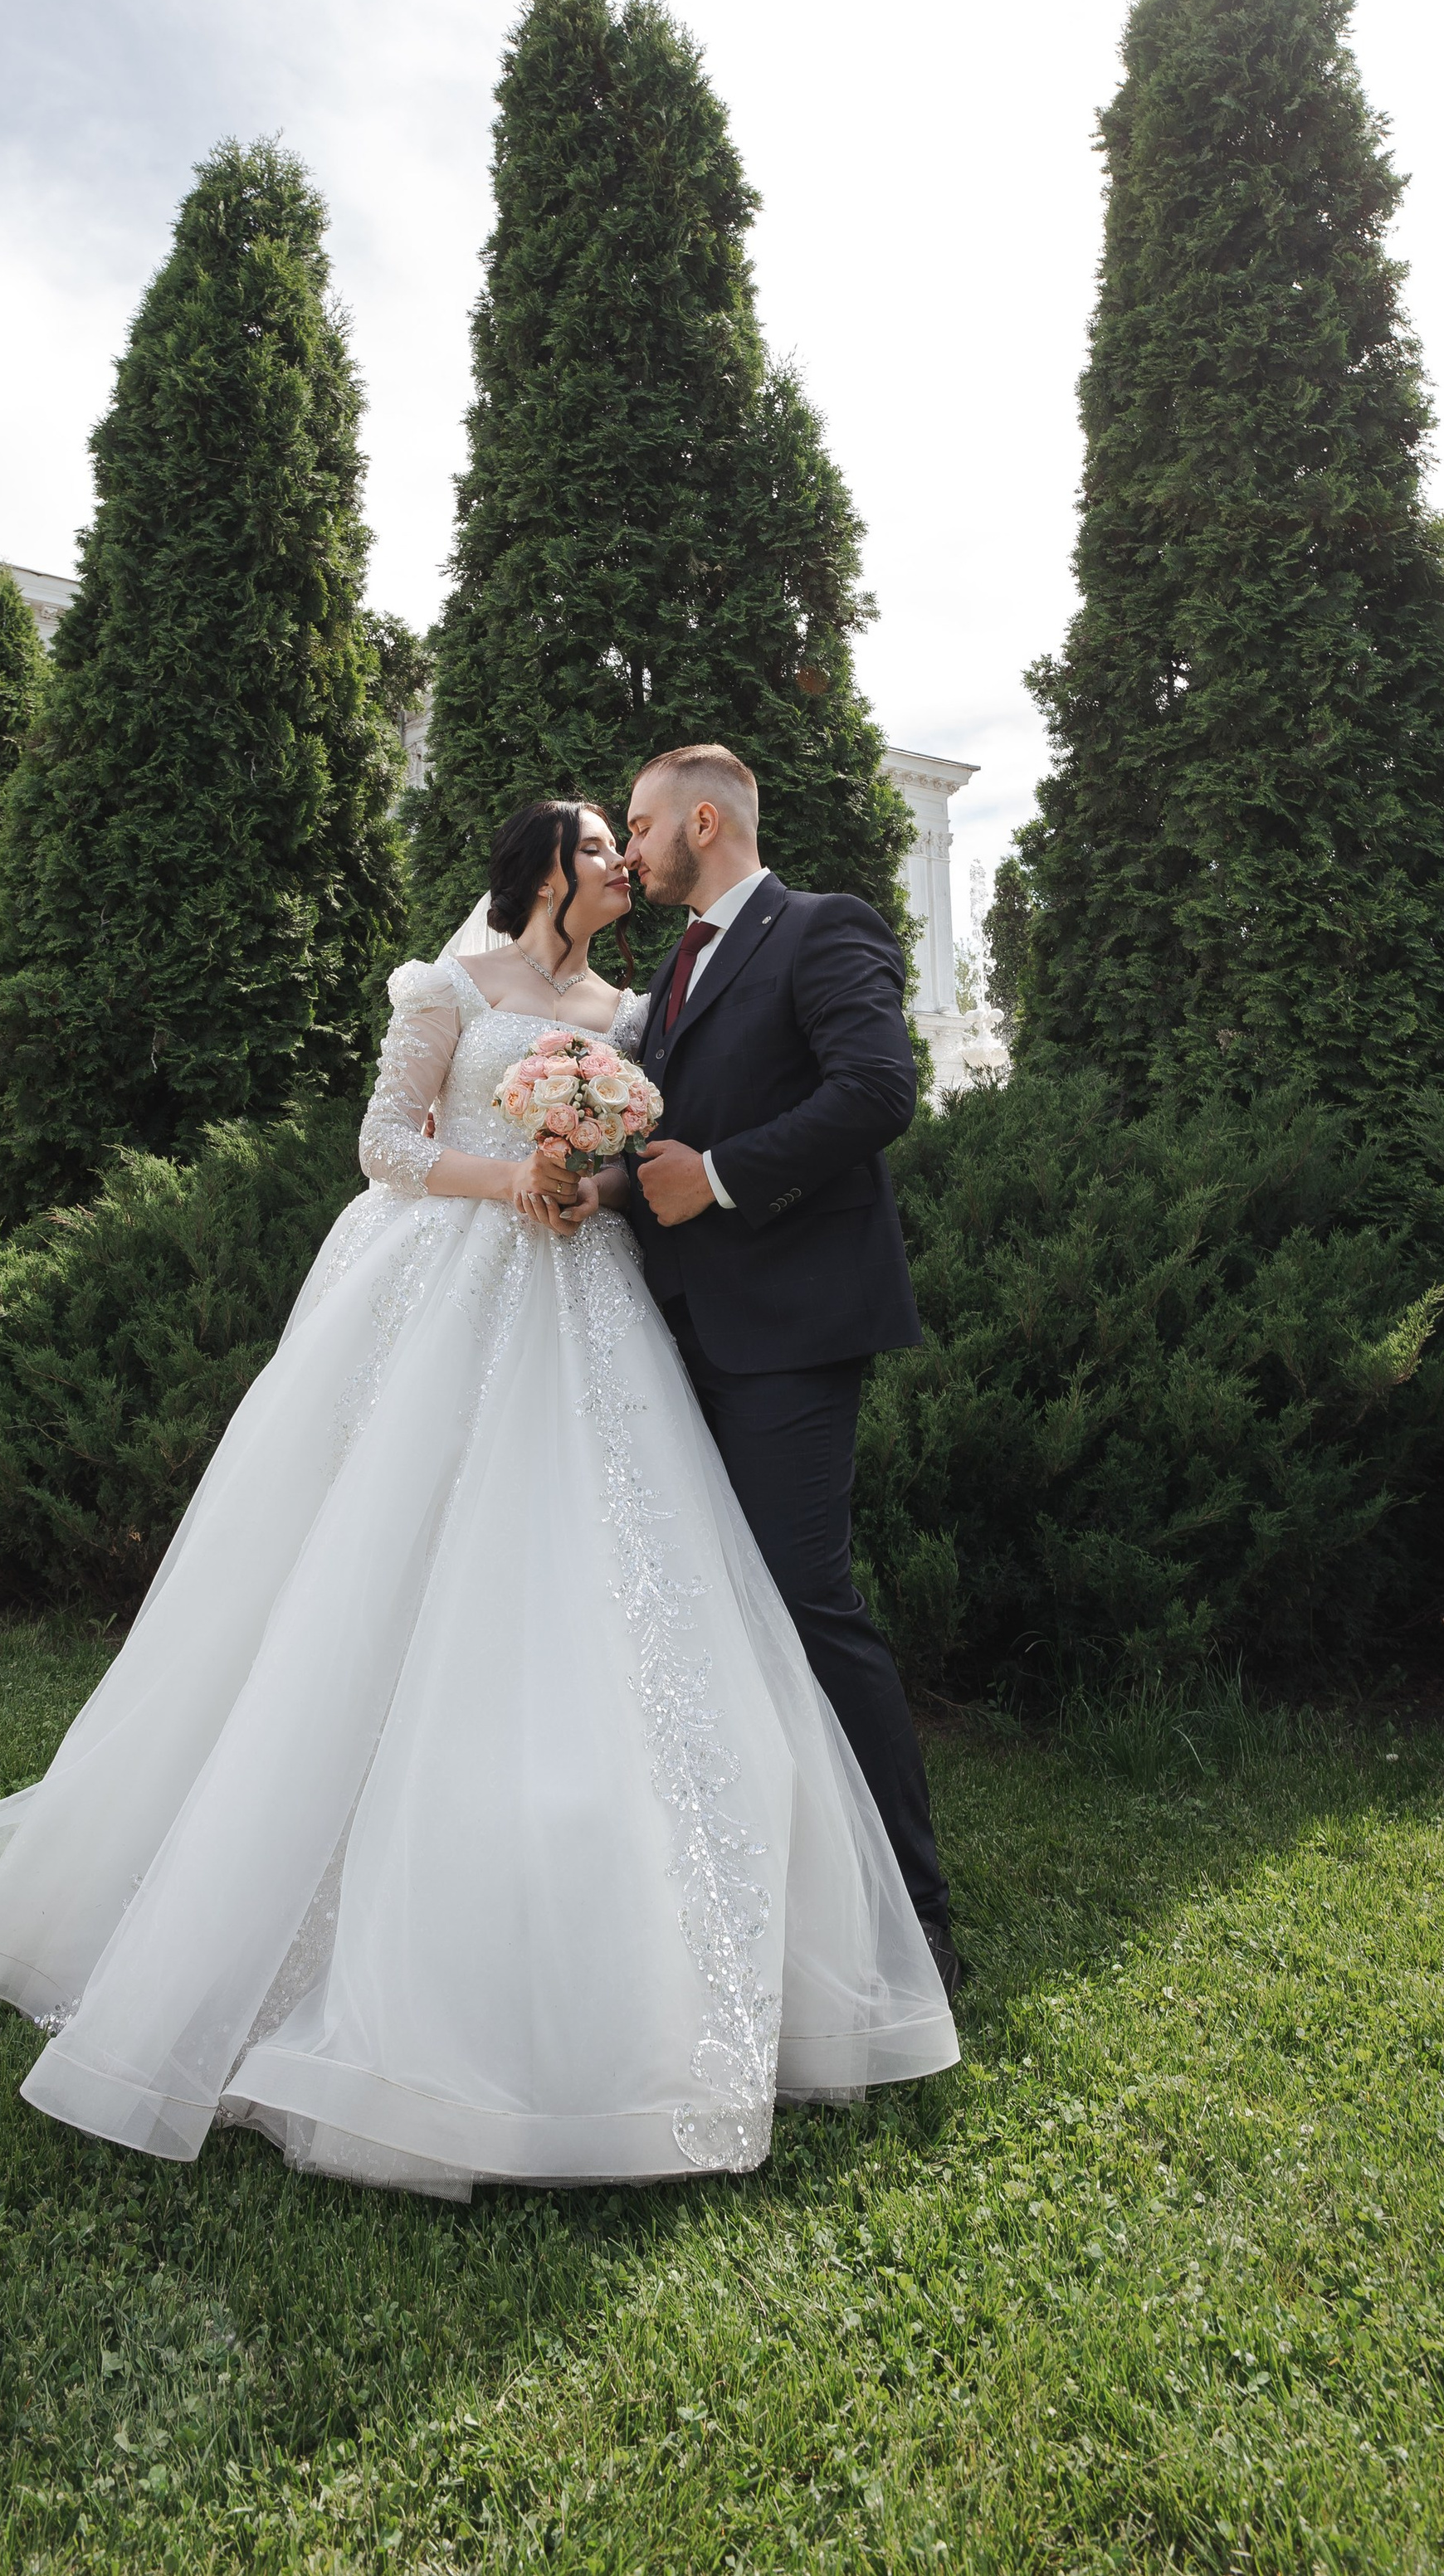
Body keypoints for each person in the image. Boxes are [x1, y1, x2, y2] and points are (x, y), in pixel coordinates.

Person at [0, 798, 956, 2200]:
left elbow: (694, 1133)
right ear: (545, 869)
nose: (622, 862)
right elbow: (384, 1142)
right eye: (599, 845)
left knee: (604, 1573)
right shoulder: (450, 985)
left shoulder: (634, 1014)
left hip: (592, 1299)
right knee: (390, 1567)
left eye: (629, 839)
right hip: (454, 1282)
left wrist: (592, 1179)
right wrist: (511, 1179)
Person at [602, 743, 963, 1999]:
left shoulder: (823, 928)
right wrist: (606, 1183)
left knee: (809, 1606)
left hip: (794, 1330)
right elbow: (664, 1139)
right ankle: (750, 1892)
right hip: (677, 1328)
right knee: (706, 1611)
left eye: (640, 825)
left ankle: (916, 1919)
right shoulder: (672, 968)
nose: (630, 850)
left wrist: (719, 1178)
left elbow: (878, 1091)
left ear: (704, 821)